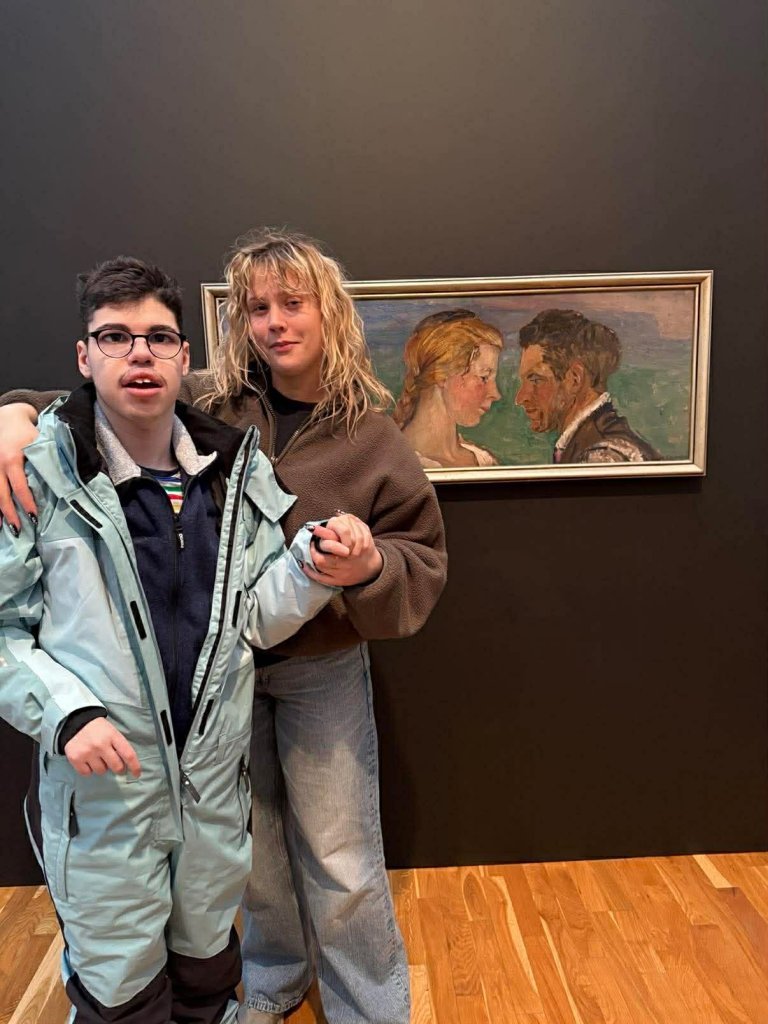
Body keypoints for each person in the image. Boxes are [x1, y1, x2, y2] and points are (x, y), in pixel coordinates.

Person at [0, 230, 448, 1024]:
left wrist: (364, 564)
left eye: (292, 303)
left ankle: (370, 1008)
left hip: (315, 664)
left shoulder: (373, 435)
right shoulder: (211, 398)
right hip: (215, 680)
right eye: (256, 308)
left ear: (329, 311)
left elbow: (419, 556)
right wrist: (11, 414)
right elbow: (94, 387)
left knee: (340, 855)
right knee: (250, 854)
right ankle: (271, 980)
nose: (274, 322)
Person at [515, 308, 661, 462]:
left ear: (574, 379)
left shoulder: (603, 456)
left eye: (536, 380)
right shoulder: (597, 442)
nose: (520, 398)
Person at [392, 308, 503, 468]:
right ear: (441, 374)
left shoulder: (484, 462)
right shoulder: (395, 463)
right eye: (484, 377)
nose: (496, 394)